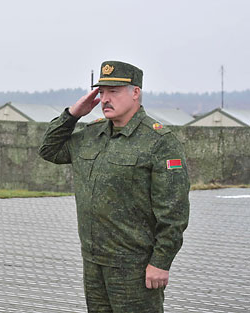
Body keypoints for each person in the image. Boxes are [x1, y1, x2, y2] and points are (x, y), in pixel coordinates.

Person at [39, 61, 189, 312]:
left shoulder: (159, 142)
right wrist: (73, 114)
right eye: (102, 92)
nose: (105, 99)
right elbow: (49, 150)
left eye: (114, 92)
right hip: (93, 260)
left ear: (135, 93)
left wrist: (161, 262)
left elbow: (174, 211)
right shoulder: (91, 135)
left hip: (135, 265)